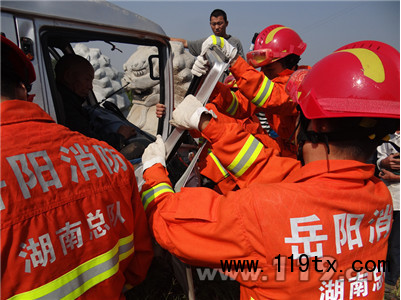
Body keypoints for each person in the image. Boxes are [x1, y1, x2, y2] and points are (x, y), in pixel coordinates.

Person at [139, 40, 400, 299]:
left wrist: (153, 173)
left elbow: (170, 223)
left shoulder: (259, 213)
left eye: (299, 113)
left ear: (317, 127)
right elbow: (279, 174)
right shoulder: (378, 195)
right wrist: (208, 123)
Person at [0, 35, 153, 299]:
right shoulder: (111, 161)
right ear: (23, 90)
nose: (89, 86)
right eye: (86, 80)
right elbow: (138, 263)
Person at [193, 25, 310, 158]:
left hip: (308, 157)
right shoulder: (271, 85)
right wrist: (208, 80)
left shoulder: (305, 81)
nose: (264, 74)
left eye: (270, 69)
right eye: (262, 69)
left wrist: (235, 60)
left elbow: (274, 97)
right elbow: (239, 106)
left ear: (291, 61)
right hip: (287, 150)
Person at [55, 54, 137, 151]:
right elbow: (89, 144)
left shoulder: (63, 99)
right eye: (87, 79)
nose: (91, 87)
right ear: (68, 77)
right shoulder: (63, 107)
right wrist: (119, 137)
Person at [376, 131, 400, 299]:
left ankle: (390, 283)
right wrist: (382, 162)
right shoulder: (384, 133)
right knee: (382, 241)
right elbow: (374, 157)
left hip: (398, 198)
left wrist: (397, 177)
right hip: (383, 198)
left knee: (395, 246)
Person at [170, 9, 244, 58]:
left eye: (219, 23)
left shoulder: (235, 42)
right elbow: (185, 43)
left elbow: (243, 66)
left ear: (226, 23)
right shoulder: (207, 42)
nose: (217, 27)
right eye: (213, 24)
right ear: (210, 24)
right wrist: (163, 39)